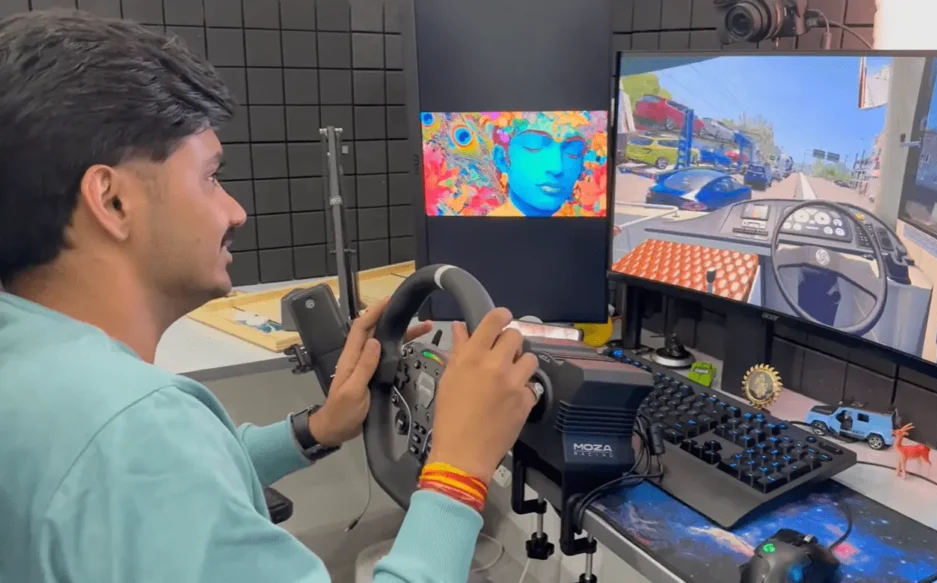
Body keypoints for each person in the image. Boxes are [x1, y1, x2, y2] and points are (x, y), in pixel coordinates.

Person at [0, 9, 539, 583]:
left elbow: (162, 488)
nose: (235, 211)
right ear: (112, 202)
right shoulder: (133, 430)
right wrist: (459, 469)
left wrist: (320, 427)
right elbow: (145, 466)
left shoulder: (32, 364)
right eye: (210, 177)